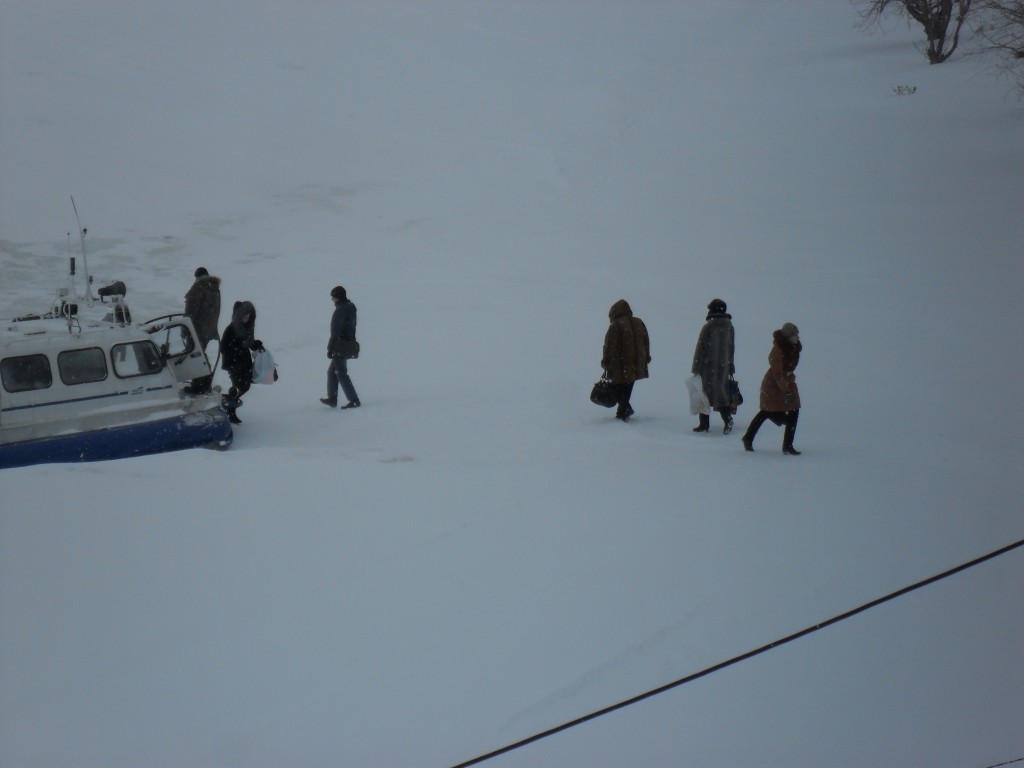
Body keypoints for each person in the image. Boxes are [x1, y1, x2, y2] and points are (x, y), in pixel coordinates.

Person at [742, 322, 802, 455]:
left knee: (793, 411)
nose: (797, 337)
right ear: (788, 336)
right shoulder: (778, 350)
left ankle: (788, 445)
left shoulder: (794, 349)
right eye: (794, 335)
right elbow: (777, 374)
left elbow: (788, 370)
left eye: (797, 334)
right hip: (773, 386)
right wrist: (786, 391)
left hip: (787, 383)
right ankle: (748, 438)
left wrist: (789, 380)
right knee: (767, 412)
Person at [601, 299, 651, 422]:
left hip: (620, 363)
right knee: (628, 386)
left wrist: (606, 361)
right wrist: (646, 356)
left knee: (617, 386)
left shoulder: (616, 325)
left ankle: (624, 410)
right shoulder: (639, 322)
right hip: (637, 362)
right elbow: (646, 341)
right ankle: (623, 411)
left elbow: (610, 346)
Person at [691, 298, 736, 434]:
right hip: (723, 367)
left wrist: (696, 368)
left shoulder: (708, 327)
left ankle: (704, 424)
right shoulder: (730, 327)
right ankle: (727, 419)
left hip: (708, 367)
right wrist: (730, 365)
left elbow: (701, 348)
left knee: (703, 395)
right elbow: (731, 348)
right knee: (720, 395)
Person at [220, 300, 262, 424]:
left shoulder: (246, 329)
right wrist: (237, 350)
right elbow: (223, 347)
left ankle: (228, 405)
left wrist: (256, 345)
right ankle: (229, 409)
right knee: (240, 386)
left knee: (244, 386)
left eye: (248, 316)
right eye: (244, 316)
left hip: (244, 362)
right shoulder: (231, 329)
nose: (246, 318)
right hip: (234, 363)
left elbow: (248, 343)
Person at [321, 285, 361, 409]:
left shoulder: (340, 310)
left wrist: (330, 348)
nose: (332, 299)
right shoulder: (351, 307)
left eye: (333, 297)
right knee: (332, 371)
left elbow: (335, 331)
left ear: (337, 297)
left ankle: (353, 400)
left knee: (341, 372)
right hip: (349, 343)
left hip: (340, 345)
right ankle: (332, 398)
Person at [183, 267, 221, 394]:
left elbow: (191, 311)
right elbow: (214, 311)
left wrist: (186, 328)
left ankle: (199, 385)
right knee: (199, 354)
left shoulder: (199, 288)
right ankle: (205, 382)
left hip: (196, 329)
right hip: (208, 330)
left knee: (194, 355)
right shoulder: (214, 289)